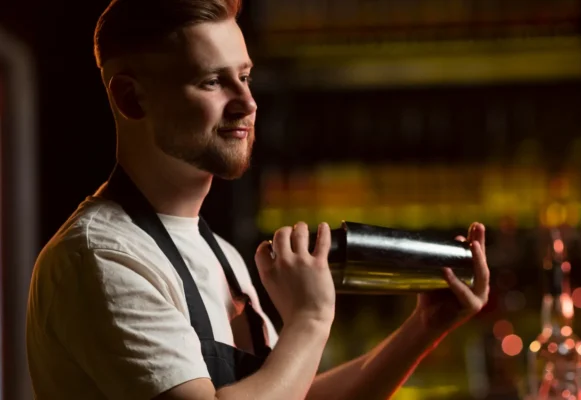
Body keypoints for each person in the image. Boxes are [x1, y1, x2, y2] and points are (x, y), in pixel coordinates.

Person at [25, 0, 491, 399]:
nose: (247, 102)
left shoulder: (220, 254)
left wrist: (423, 328)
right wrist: (310, 318)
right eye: (212, 82)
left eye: (245, 76)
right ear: (131, 98)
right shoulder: (101, 258)